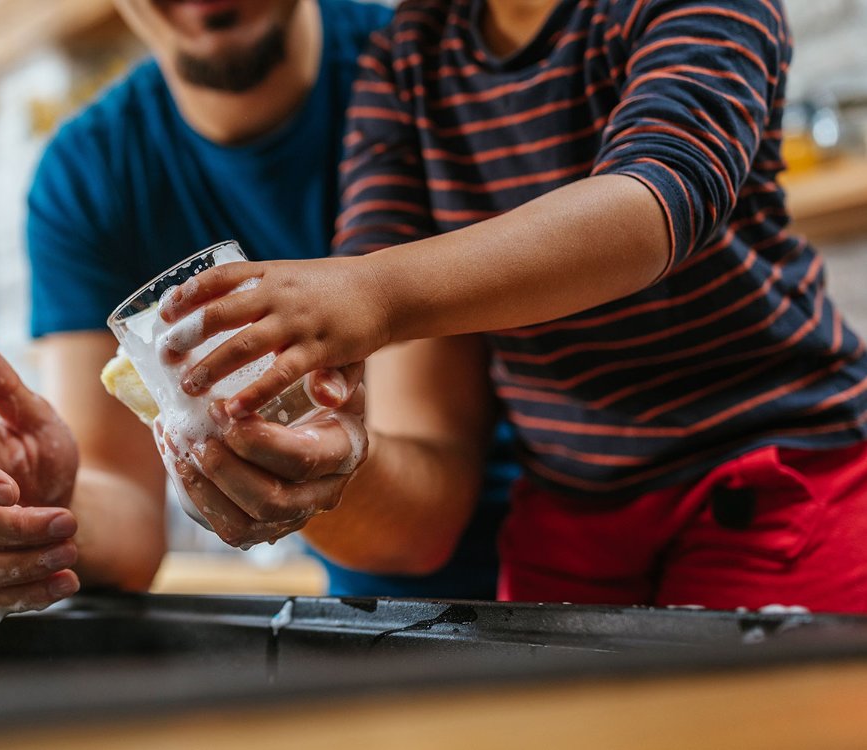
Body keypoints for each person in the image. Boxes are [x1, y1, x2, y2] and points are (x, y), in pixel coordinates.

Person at [159, 0, 867, 610]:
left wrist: (370, 294)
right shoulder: (408, 53)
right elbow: (371, 272)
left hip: (779, 476)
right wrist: (321, 427)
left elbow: (655, 204)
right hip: (568, 512)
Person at [0, 0, 518, 617]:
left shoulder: (412, 74)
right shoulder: (88, 175)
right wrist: (41, 506)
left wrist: (306, 462)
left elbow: (424, 523)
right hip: (376, 619)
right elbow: (126, 519)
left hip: (547, 583)